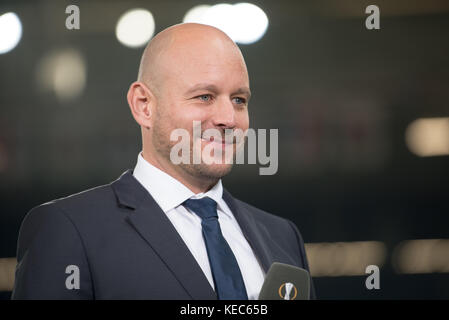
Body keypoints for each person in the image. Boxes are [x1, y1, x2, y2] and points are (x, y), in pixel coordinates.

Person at [12, 23, 315, 300]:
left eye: (239, 100)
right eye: (205, 97)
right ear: (144, 106)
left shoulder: (283, 237)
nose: (228, 118)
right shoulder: (68, 230)